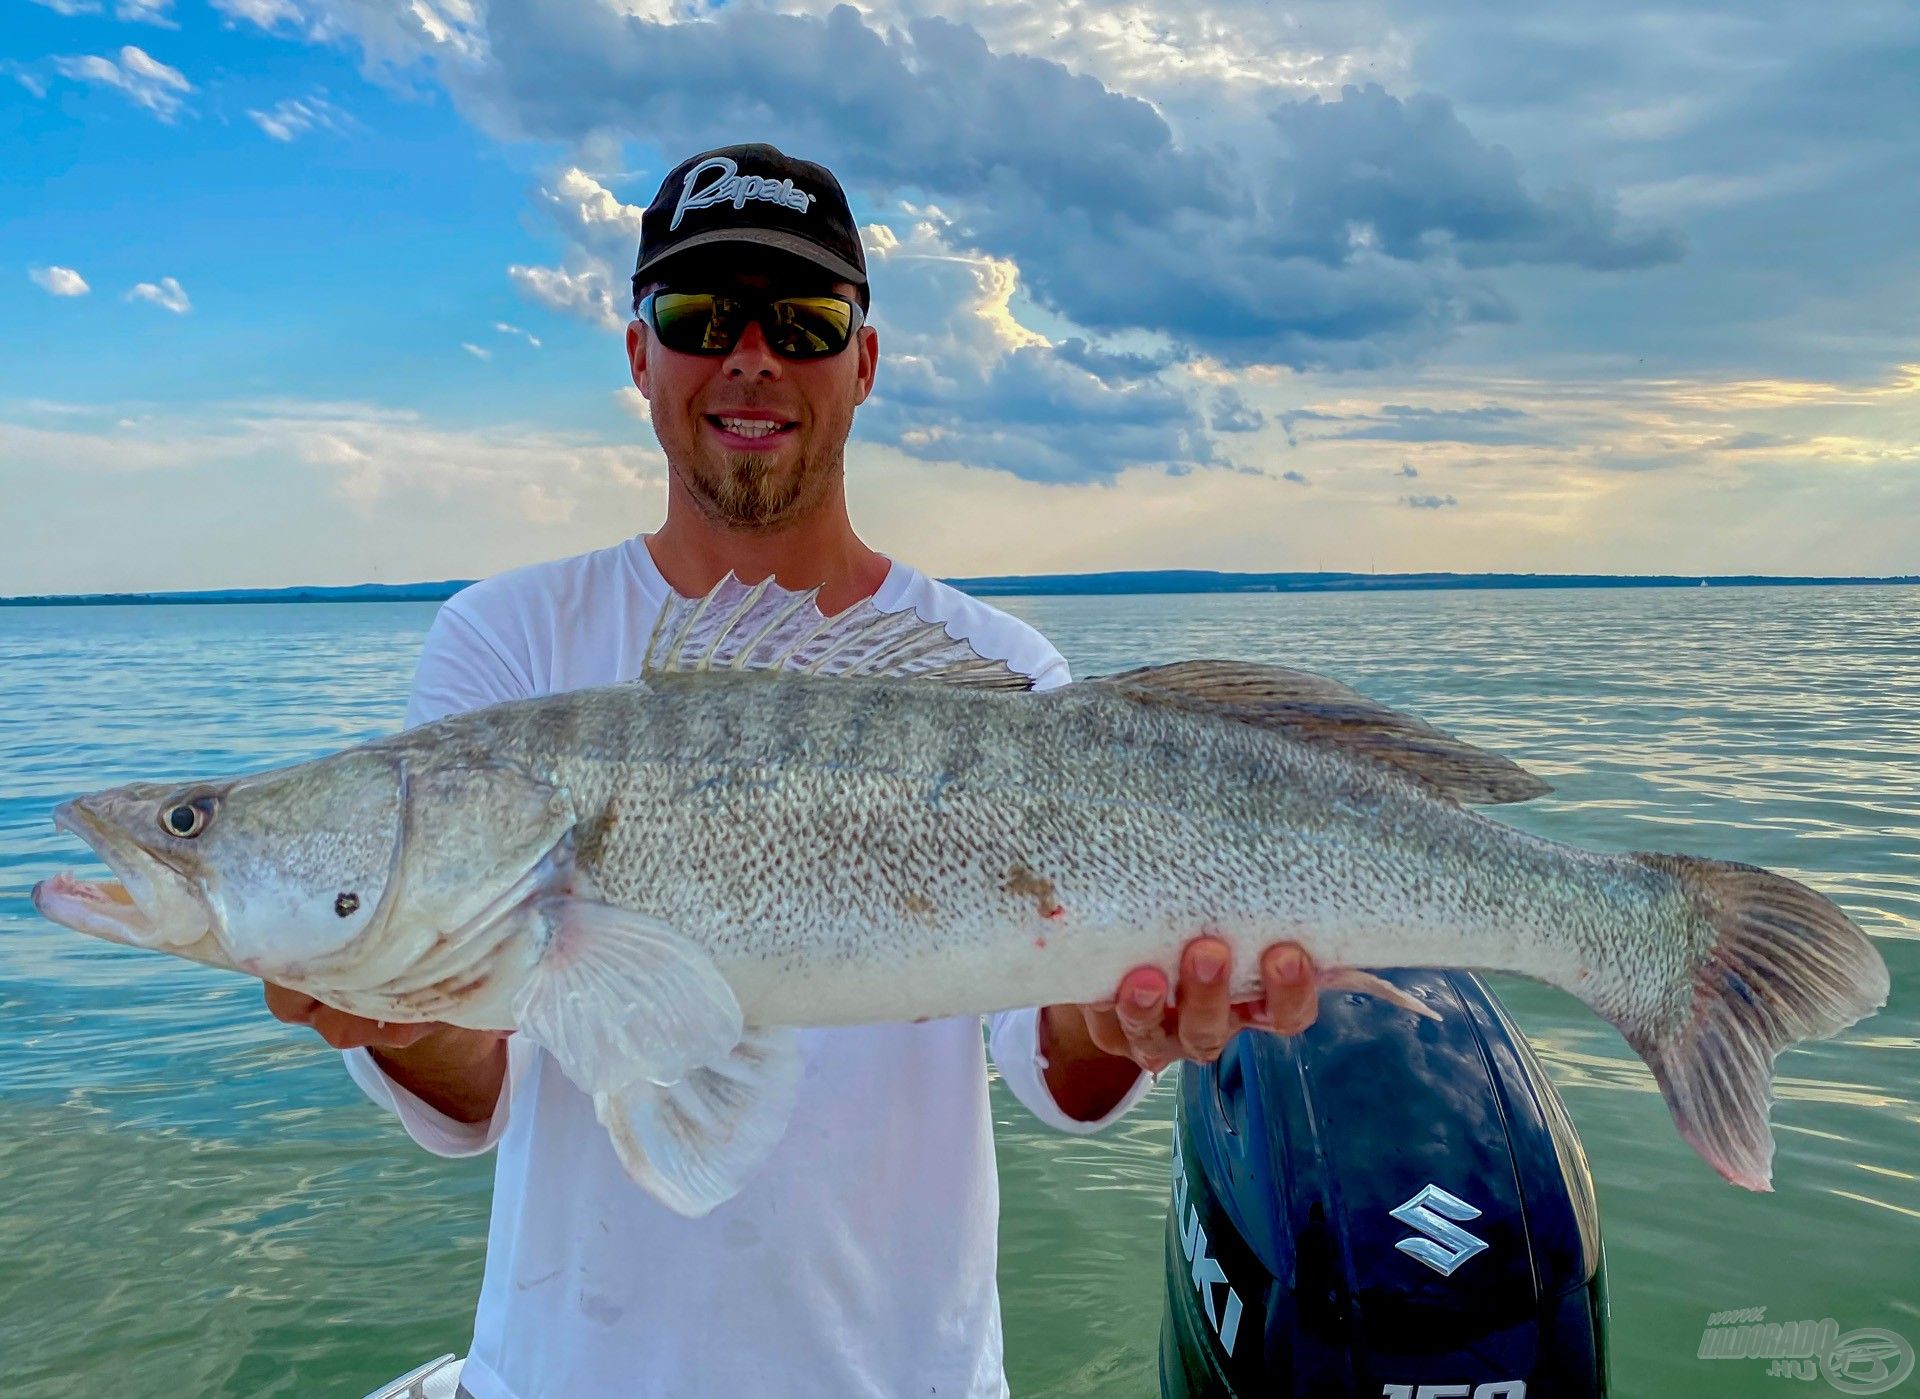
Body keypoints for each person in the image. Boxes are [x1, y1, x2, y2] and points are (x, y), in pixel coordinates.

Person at [264, 143, 1321, 1399]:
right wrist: (395, 1010)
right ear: (640, 355)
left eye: (805, 321)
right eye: (701, 316)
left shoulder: (998, 665)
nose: (751, 357)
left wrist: (1127, 1025)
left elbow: (1054, 1063)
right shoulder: (506, 644)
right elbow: (476, 1090)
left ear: (863, 362)